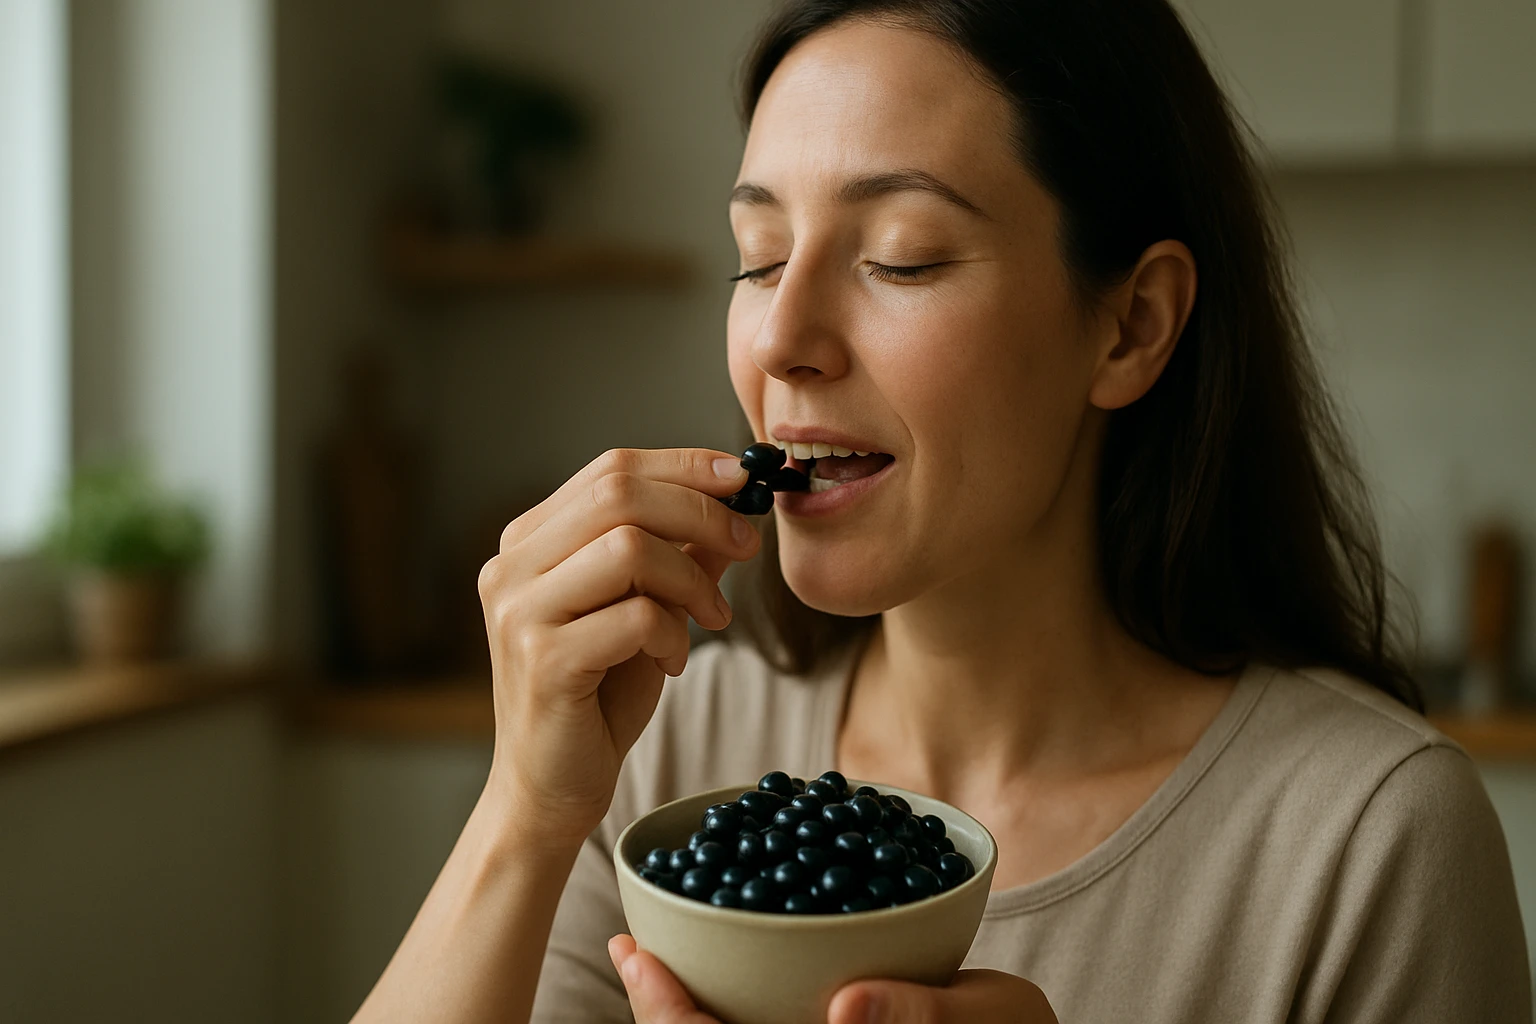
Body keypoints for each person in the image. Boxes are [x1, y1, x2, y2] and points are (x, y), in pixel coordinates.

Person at [353, 2, 1532, 1022]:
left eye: (903, 258)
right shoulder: (665, 746)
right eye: (759, 257)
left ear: (1130, 326)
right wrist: (522, 809)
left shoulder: (1371, 841)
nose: (780, 340)